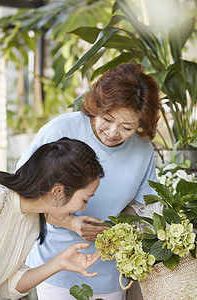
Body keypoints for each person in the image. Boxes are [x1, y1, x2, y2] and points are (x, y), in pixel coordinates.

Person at [16, 62, 161, 300]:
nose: (113, 132)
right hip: (56, 265)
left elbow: (146, 208)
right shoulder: (60, 130)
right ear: (97, 106)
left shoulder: (142, 150)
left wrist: (123, 229)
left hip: (112, 272)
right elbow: (22, 195)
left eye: (127, 127)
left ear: (141, 124)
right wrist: (71, 223)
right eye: (107, 118)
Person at [0, 137, 104, 300]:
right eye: (85, 200)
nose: (82, 209)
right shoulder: (0, 197)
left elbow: (7, 286)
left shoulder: (32, 219)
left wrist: (59, 262)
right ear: (58, 191)